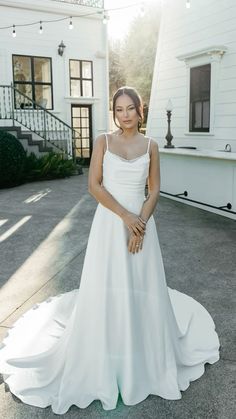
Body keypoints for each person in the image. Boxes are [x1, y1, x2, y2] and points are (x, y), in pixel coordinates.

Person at [0, 86, 220, 415]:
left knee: (139, 285)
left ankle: (142, 357)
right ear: (114, 113)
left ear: (139, 111)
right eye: (119, 109)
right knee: (108, 285)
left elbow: (154, 188)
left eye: (131, 108)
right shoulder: (103, 141)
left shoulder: (151, 145)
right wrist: (126, 217)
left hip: (141, 226)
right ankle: (106, 354)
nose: (125, 114)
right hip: (110, 223)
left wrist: (140, 224)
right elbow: (94, 186)